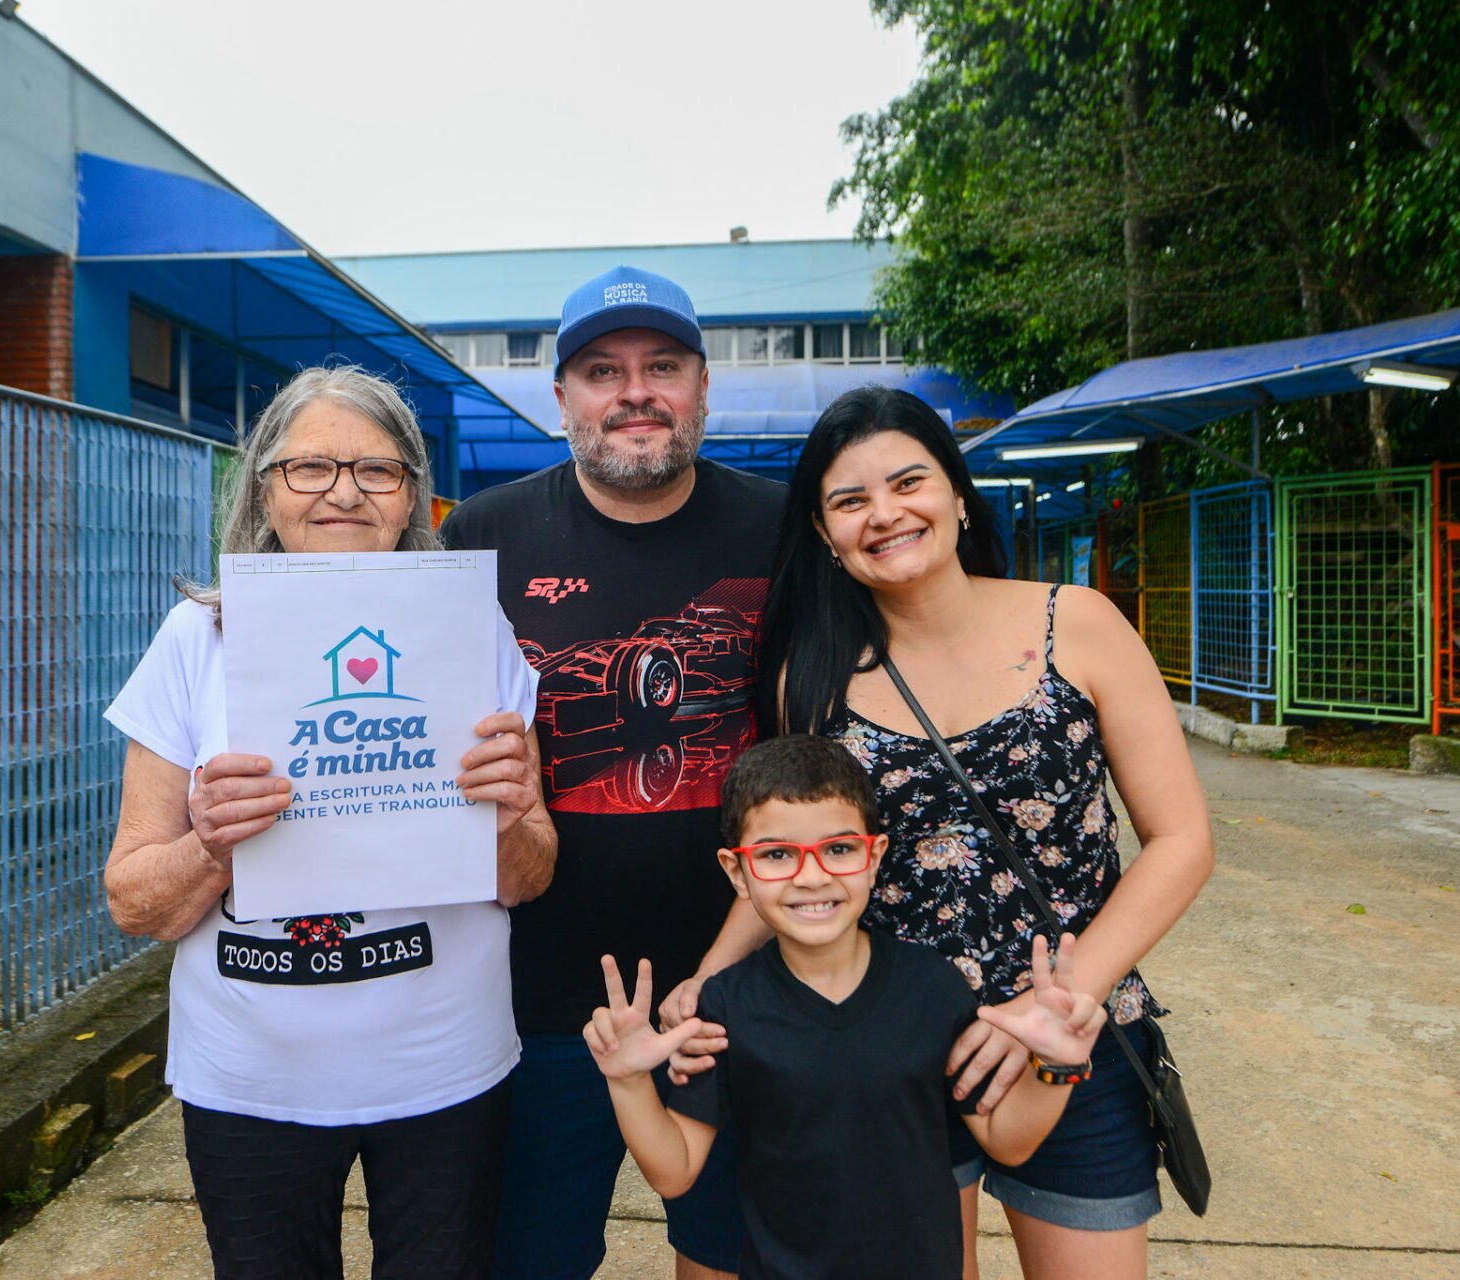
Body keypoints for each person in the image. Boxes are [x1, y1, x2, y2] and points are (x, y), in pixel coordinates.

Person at [739, 386, 1215, 1280]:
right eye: (850, 500)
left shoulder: (1078, 623)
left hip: (1076, 1037)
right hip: (889, 1052)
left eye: (907, 482)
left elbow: (1182, 839)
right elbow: (792, 863)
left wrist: (1053, 1005)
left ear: (958, 494)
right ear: (825, 534)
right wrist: (703, 983)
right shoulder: (813, 677)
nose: (885, 514)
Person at [101, 365, 557, 1280]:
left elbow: (530, 875)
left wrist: (510, 818)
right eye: (309, 467)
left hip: (443, 1072)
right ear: (264, 491)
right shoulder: (195, 640)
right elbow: (132, 899)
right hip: (250, 1081)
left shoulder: (472, 631)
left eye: (377, 470)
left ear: (413, 498)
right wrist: (211, 846)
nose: (343, 492)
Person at [438, 264, 785, 1280]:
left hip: (744, 987)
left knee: (732, 1256)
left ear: (703, 385)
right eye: (603, 371)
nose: (635, 392)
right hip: (537, 997)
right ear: (563, 398)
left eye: (662, 366)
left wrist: (729, 971)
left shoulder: (782, 529)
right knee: (528, 1259)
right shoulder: (480, 535)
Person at [584, 734, 1107, 1280]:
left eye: (838, 849)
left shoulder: (931, 987)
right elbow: (675, 1171)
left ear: (873, 856)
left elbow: (1008, 1140)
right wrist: (628, 1081)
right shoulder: (725, 1007)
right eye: (777, 855)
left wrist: (1058, 1065)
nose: (812, 877)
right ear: (737, 871)